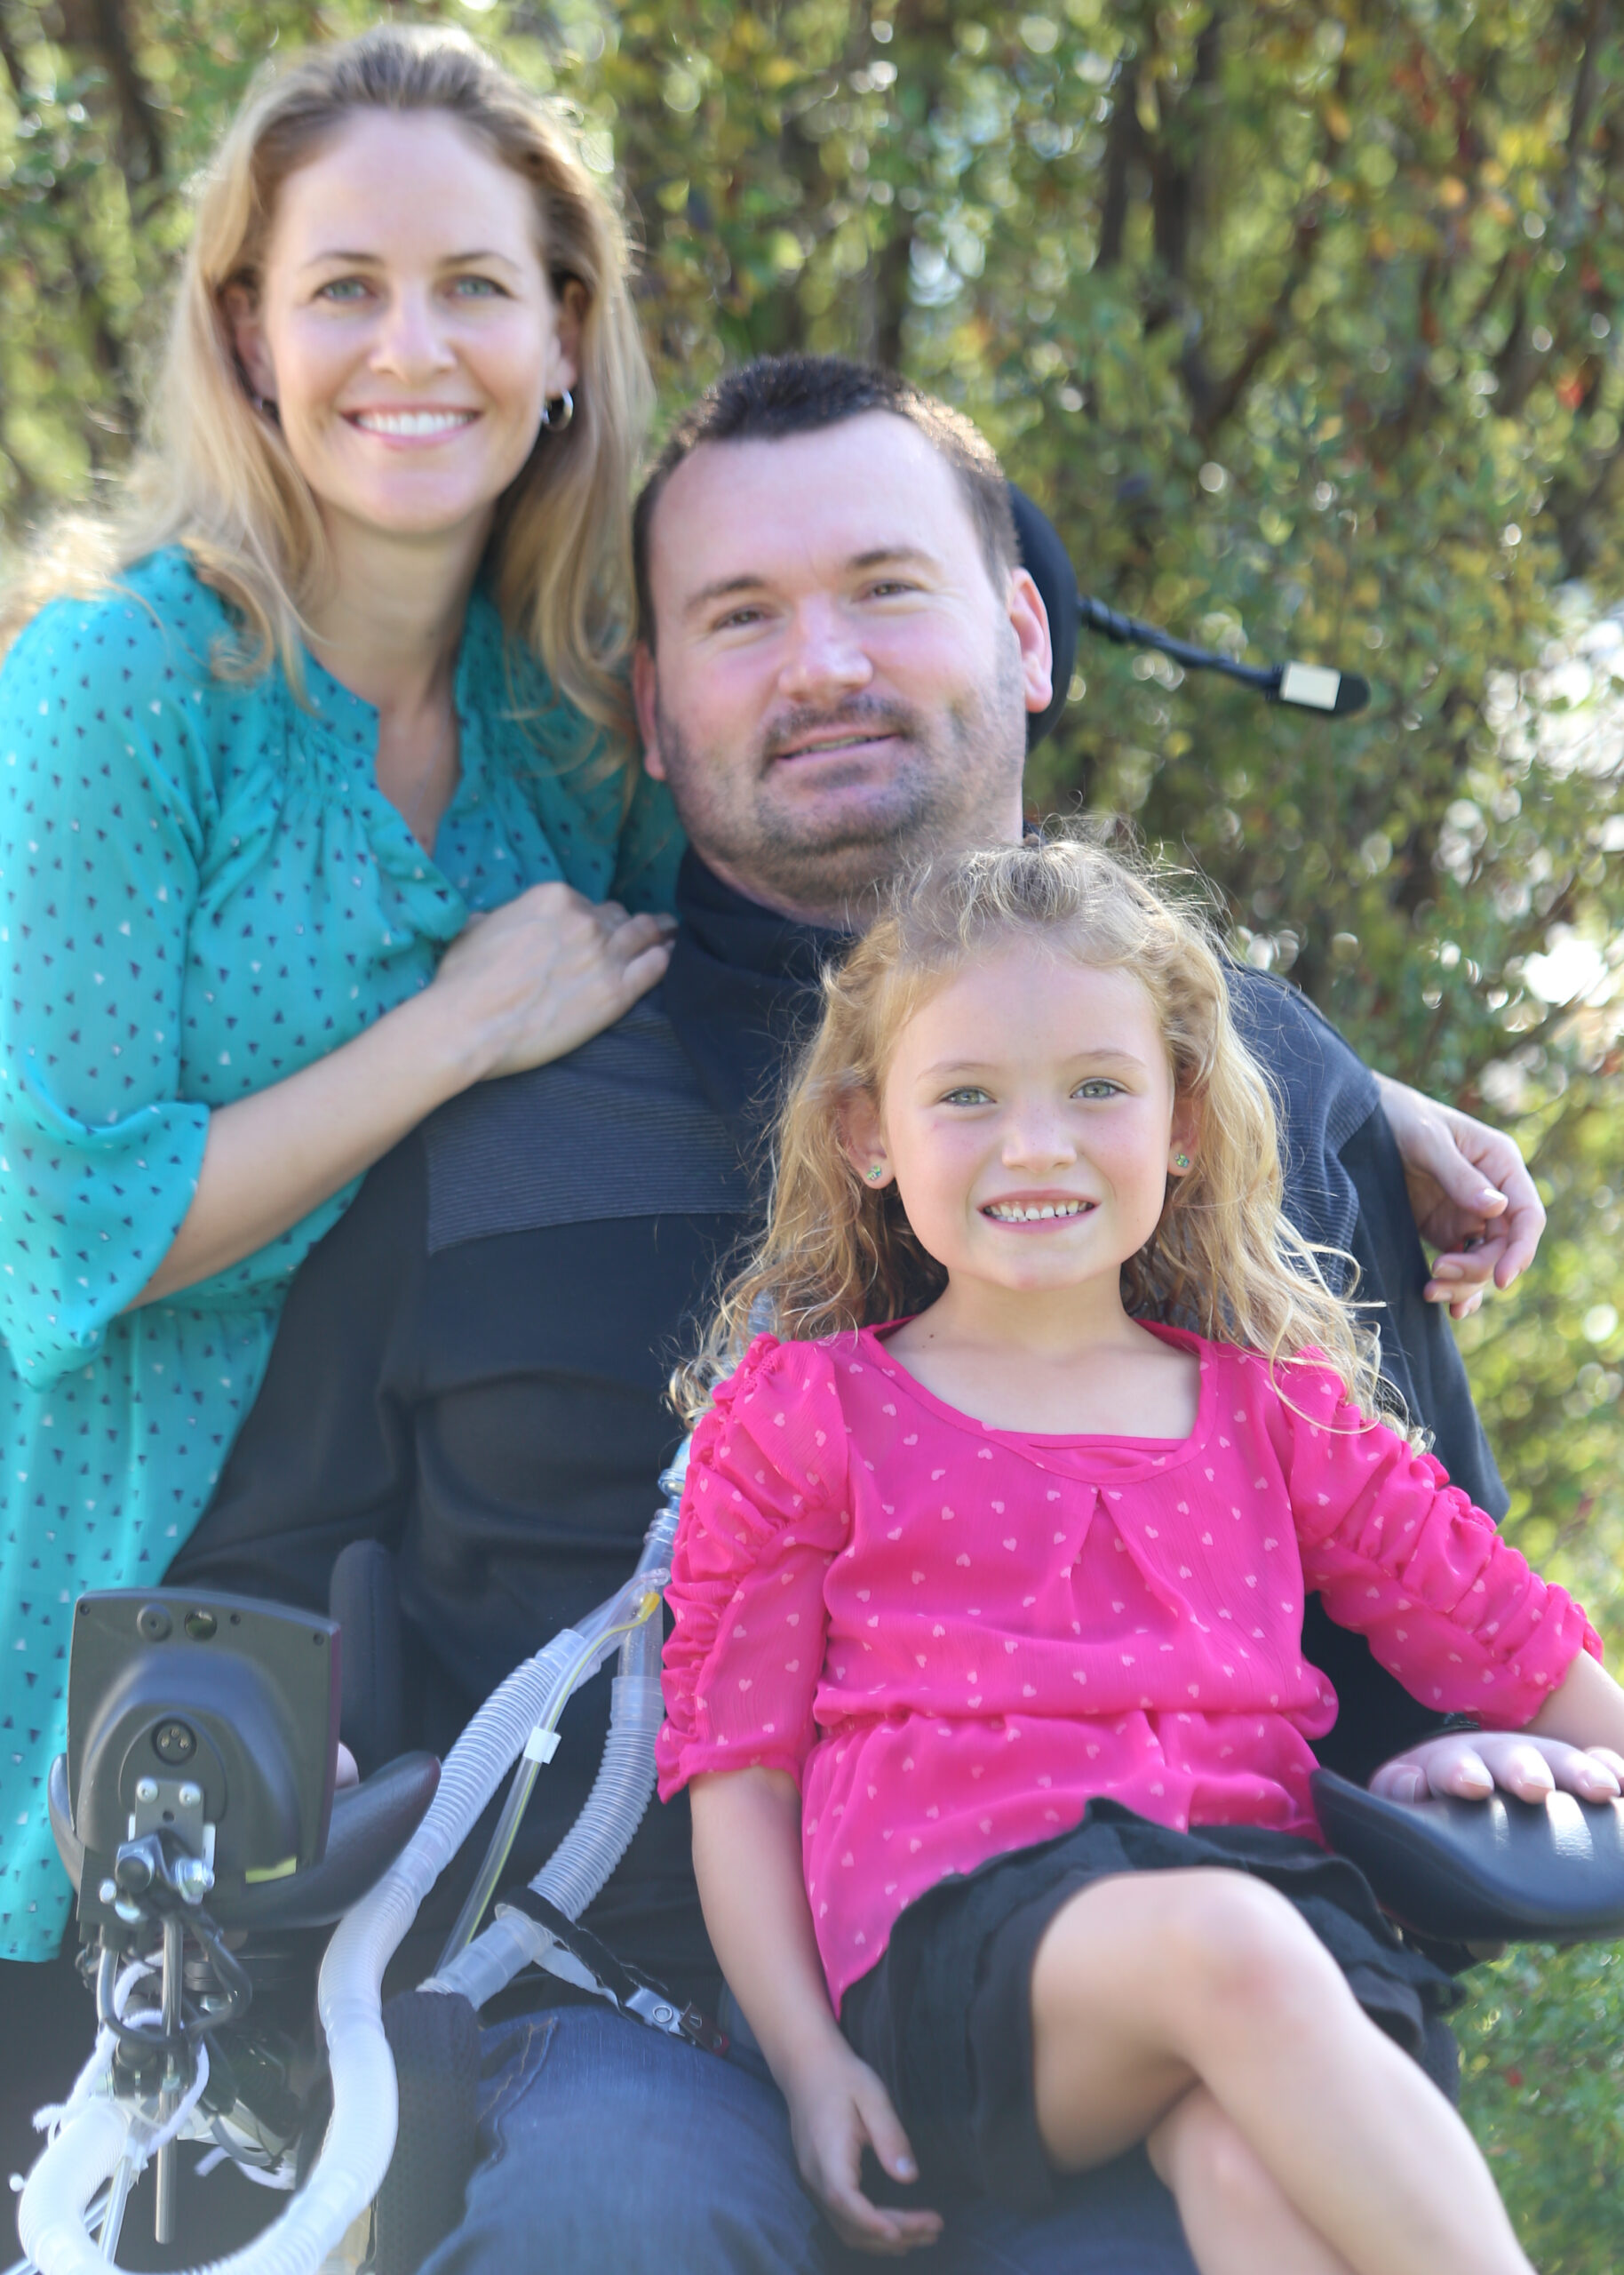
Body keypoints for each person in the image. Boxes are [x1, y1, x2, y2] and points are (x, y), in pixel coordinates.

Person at [144, 358, 1570, 2275]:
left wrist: (1470, 1764)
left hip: (1127, 1968)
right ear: (653, 712)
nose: (818, 660)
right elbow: (266, 1565)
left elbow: (1439, 1625)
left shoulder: (1264, 1088)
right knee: (608, 2217)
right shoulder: (489, 1111)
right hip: (612, 1998)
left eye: (882, 586)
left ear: (1023, 633)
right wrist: (271, 1755)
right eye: (737, 617)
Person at [656, 831, 1624, 2275]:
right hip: (958, 1960)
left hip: (1271, 1932)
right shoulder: (809, 1413)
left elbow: (1515, 1646)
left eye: (1097, 1089)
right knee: (1225, 1951)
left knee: (1252, 2178)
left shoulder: (1275, 1406)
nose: (1035, 1145)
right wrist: (806, 2065)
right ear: (869, 1136)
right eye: (967, 1097)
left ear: (1182, 1119)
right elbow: (736, 1771)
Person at [0, 23, 681, 1964]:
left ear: (562, 336)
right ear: (246, 337)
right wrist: (454, 1029)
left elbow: (805, 997)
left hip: (427, 1617)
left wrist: (1291, 1077)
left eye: (473, 286)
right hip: (92, 1566)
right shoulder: (118, 691)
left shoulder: (574, 736)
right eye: (343, 290)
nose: (411, 348)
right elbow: (70, 1233)